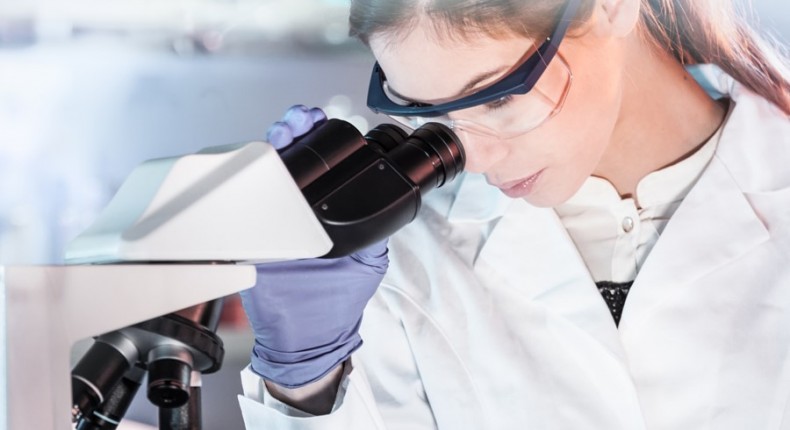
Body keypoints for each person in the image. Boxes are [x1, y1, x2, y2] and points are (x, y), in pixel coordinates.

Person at [237, 0, 790, 428]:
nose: (474, 157)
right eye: (432, 118)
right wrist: (305, 383)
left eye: (498, 99)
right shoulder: (393, 265)